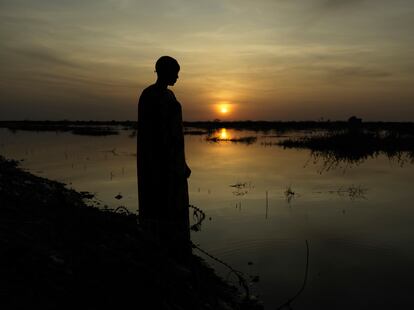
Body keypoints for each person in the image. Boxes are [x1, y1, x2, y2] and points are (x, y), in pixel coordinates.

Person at [137, 56, 191, 260]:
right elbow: (157, 135)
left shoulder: (169, 95)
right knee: (160, 205)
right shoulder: (150, 95)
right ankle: (161, 250)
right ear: (163, 72)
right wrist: (172, 164)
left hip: (174, 162)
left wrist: (181, 162)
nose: (177, 76)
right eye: (175, 72)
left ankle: (174, 247)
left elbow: (174, 135)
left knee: (173, 208)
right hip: (159, 164)